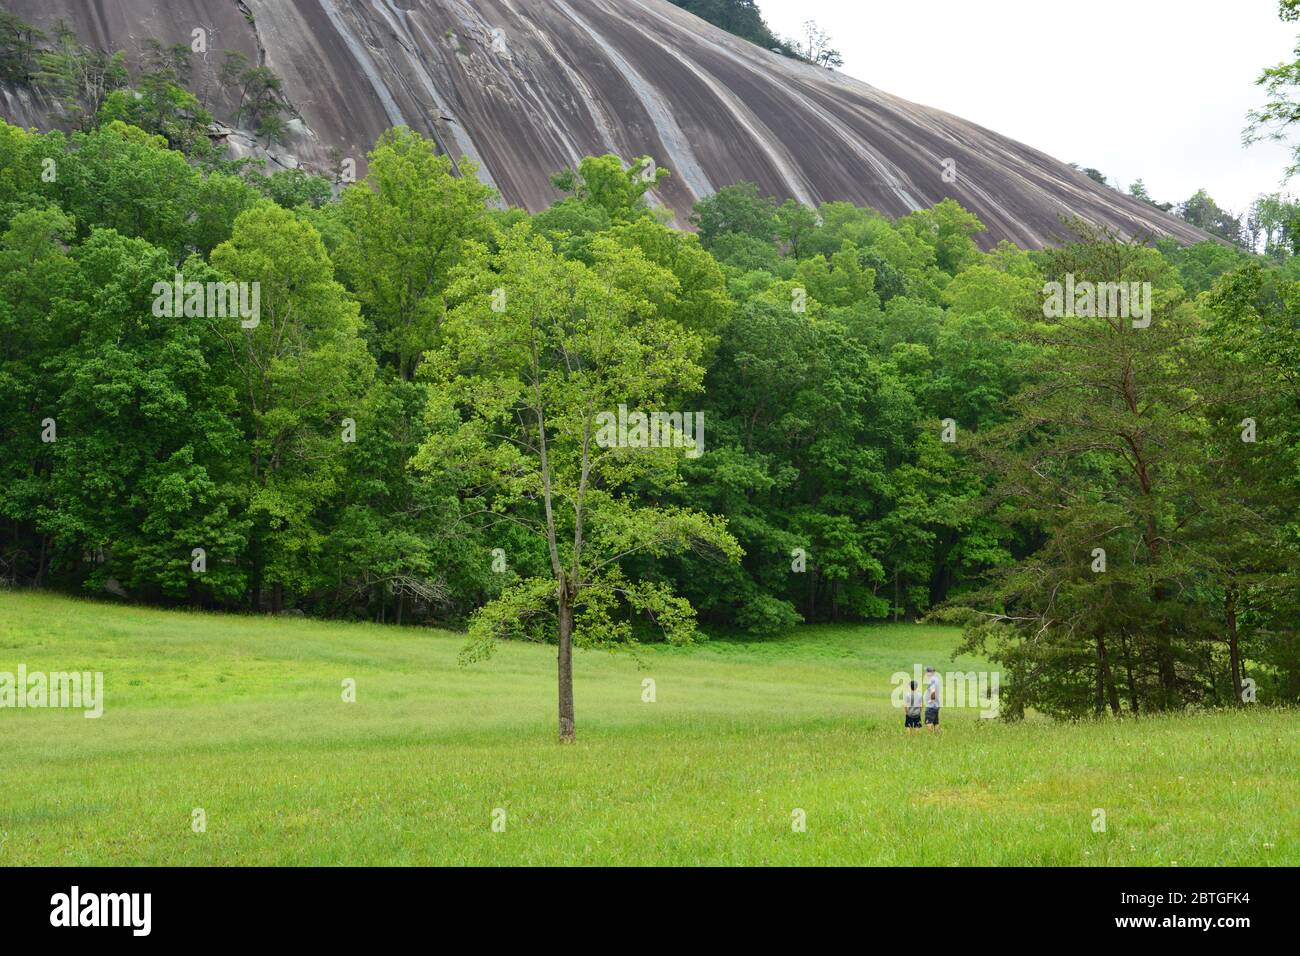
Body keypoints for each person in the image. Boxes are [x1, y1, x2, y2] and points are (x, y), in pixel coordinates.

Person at [925, 665, 941, 731]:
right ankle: (938, 736)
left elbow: (933, 691)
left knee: (928, 722)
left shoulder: (931, 680)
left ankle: (929, 737)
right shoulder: (937, 679)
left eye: (927, 672)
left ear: (930, 673)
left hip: (931, 706)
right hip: (936, 705)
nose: (926, 673)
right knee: (936, 722)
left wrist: (931, 700)